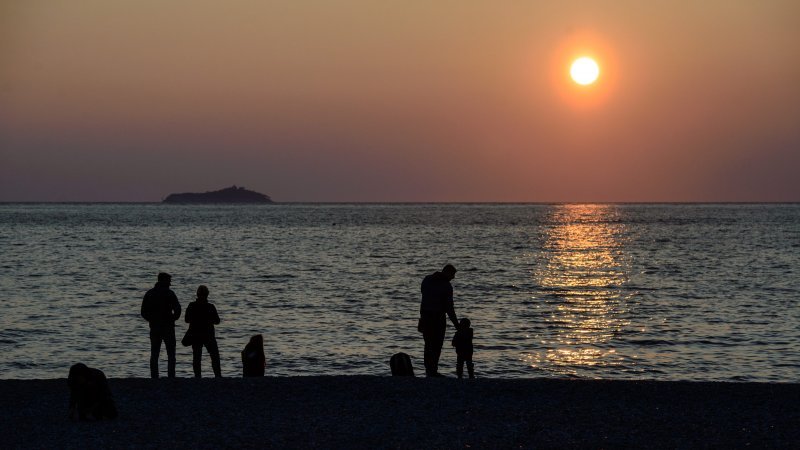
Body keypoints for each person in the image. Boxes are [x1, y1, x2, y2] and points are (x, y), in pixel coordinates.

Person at [418, 264, 459, 377]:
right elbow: (449, 308)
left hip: (425, 316)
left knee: (428, 345)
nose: (453, 278)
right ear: (447, 273)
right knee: (437, 345)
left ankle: (429, 371)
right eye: (452, 275)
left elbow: (423, 297)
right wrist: (457, 325)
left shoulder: (426, 279)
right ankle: (433, 371)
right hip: (437, 318)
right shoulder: (446, 286)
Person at [141, 272, 181, 378]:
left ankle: (154, 377)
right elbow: (178, 309)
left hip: (155, 327)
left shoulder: (150, 293)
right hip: (168, 327)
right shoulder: (170, 293)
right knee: (171, 354)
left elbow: (143, 312)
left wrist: (151, 320)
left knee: (154, 353)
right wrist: (173, 319)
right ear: (164, 281)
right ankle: (171, 376)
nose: (170, 283)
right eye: (169, 281)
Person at [185, 285, 222, 377]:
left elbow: (186, 319)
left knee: (197, 357)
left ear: (197, 294)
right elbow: (217, 321)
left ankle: (197, 376)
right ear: (207, 295)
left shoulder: (191, 305)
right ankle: (218, 376)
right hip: (208, 335)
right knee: (214, 356)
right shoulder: (210, 307)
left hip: (195, 334)